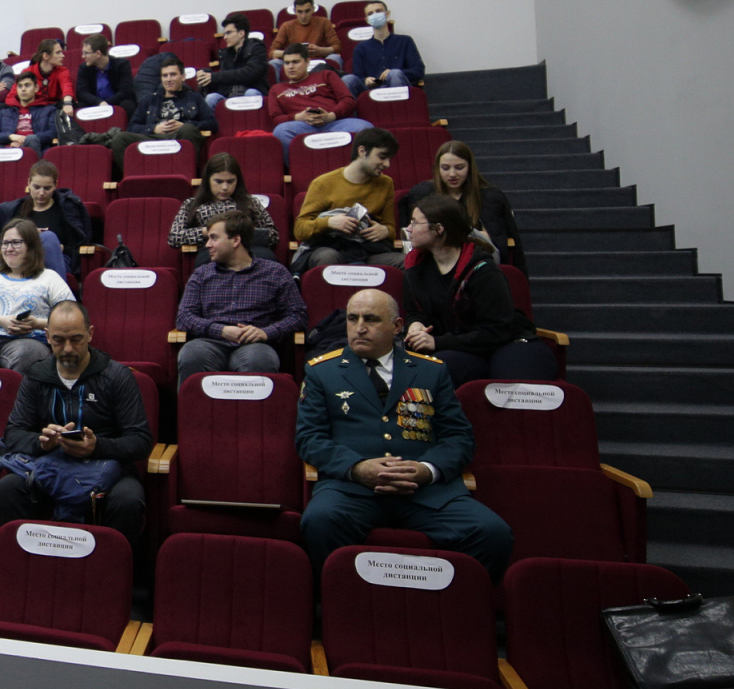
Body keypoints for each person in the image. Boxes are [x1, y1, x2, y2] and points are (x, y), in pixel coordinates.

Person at [296, 288, 511, 578]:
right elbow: (310, 438)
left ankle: (452, 603)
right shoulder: (322, 371)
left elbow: (459, 438)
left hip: (426, 492)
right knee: (320, 521)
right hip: (352, 490)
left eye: (371, 319)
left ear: (397, 326)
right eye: (352, 318)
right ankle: (343, 602)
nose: (359, 327)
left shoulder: (430, 371)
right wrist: (357, 468)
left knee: (493, 533)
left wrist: (426, 470)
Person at [0, 302, 150, 545]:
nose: (68, 349)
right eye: (58, 340)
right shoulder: (36, 376)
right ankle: (24, 563)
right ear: (47, 337)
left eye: (76, 339)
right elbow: (13, 433)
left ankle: (113, 566)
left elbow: (140, 441)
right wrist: (41, 442)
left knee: (128, 499)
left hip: (107, 467)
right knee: (8, 488)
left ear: (90, 334)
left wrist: (97, 446)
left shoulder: (117, 376)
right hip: (49, 465)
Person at [399, 196, 556, 383]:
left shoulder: (482, 270)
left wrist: (438, 342)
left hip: (506, 342)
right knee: (437, 368)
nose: (408, 229)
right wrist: (416, 324)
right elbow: (415, 312)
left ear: (439, 229)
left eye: (415, 223)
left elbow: (496, 331)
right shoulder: (415, 267)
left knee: (512, 381)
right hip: (462, 347)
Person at [175, 210, 305, 376]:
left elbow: (298, 315)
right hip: (210, 342)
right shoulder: (202, 274)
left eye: (214, 238)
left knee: (259, 360)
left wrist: (266, 332)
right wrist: (221, 330)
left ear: (236, 240)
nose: (208, 245)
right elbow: (184, 317)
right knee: (192, 355)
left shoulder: (275, 272)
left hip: (255, 344)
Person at [0, 217, 78, 370]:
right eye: (5, 243)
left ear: (31, 247)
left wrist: (37, 323)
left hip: (29, 339)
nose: (9, 248)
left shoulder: (50, 277)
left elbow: (72, 319)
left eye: (16, 243)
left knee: (27, 356)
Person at [291, 126, 404, 273]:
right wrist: (330, 222)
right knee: (327, 257)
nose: (387, 164)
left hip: (367, 250)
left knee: (405, 262)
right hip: (329, 246)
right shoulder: (323, 183)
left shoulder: (386, 183)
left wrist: (384, 230)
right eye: (382, 157)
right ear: (362, 151)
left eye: (390, 159)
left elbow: (391, 228)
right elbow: (300, 230)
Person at [396, 140, 519, 268]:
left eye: (460, 168)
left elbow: (495, 241)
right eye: (445, 168)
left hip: (477, 261)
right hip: (432, 260)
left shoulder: (490, 197)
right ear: (437, 168)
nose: (452, 174)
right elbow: (412, 235)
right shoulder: (422, 193)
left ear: (470, 167)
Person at [0, 161, 92, 274]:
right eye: (36, 187)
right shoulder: (13, 210)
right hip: (22, 259)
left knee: (48, 237)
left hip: (57, 259)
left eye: (47, 188)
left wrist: (58, 247)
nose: (41, 193)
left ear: (55, 185)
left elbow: (76, 247)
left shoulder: (66, 210)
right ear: (29, 183)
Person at [268, 46, 373, 158]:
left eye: (295, 62)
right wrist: (298, 117)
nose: (290, 67)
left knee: (366, 128)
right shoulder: (276, 89)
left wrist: (331, 116)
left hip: (334, 122)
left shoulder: (326, 75)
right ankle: (301, 166)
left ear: (307, 62)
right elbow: (276, 118)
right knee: (280, 131)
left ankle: (355, 166)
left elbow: (348, 100)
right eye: (287, 63)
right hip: (302, 126)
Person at [170, 153, 281, 253]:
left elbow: (273, 235)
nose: (225, 187)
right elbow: (174, 237)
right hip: (212, 254)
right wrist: (209, 232)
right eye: (219, 181)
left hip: (248, 253)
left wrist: (242, 232)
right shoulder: (191, 204)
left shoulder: (250, 202)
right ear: (208, 180)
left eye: (230, 181)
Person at [190, 13, 275, 112]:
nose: (225, 37)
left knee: (251, 94)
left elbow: (250, 73)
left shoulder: (257, 48)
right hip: (229, 95)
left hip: (252, 91)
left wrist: (215, 76)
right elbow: (223, 83)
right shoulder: (226, 54)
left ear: (241, 33)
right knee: (211, 98)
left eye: (229, 33)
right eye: (224, 34)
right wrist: (206, 75)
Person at [346, 0, 426, 93]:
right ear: (367, 20)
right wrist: (365, 80)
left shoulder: (405, 41)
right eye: (370, 13)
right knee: (348, 79)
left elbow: (418, 70)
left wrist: (394, 73)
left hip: (399, 85)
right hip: (372, 89)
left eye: (378, 11)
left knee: (394, 73)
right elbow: (358, 75)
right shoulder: (360, 48)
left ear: (387, 14)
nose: (375, 15)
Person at [130, 58, 215, 144]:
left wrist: (184, 125)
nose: (168, 79)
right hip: (154, 139)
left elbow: (212, 124)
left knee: (188, 129)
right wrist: (154, 128)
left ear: (183, 77)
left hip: (180, 137)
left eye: (173, 74)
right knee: (122, 138)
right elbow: (132, 127)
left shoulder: (195, 97)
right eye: (165, 76)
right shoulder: (149, 99)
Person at [0, 71, 58, 154]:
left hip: (34, 147)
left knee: (31, 139)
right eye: (20, 86)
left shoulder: (49, 110)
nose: (23, 89)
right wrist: (10, 137)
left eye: (27, 85)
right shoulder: (5, 112)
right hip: (7, 149)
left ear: (36, 88)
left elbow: (54, 132)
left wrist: (26, 140)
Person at [271, 0, 341, 76]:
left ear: (313, 9)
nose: (303, 16)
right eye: (300, 12)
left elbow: (337, 47)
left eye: (307, 11)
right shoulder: (286, 26)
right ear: (294, 11)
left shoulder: (324, 22)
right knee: (274, 63)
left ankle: (335, 82)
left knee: (335, 57)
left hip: (319, 62)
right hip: (295, 63)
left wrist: (320, 50)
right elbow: (273, 52)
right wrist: (293, 54)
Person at [74, 35, 133, 111]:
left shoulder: (122, 65)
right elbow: (81, 92)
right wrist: (99, 102)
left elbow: (126, 91)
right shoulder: (84, 68)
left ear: (98, 53)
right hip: (95, 103)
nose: (83, 56)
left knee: (128, 105)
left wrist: (107, 103)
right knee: (79, 107)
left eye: (86, 53)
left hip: (116, 102)